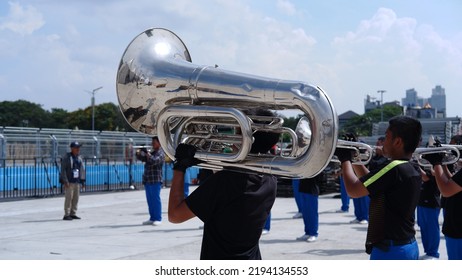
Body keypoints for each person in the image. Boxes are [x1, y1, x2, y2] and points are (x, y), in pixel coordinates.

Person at [168, 108, 280, 260]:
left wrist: (179, 167)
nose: (233, 135)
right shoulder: (270, 179)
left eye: (237, 131)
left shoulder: (227, 181)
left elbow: (175, 215)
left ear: (248, 138)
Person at [336, 116, 422, 260]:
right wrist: (355, 157)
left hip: (391, 251)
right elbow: (371, 183)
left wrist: (345, 159)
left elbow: (353, 190)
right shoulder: (411, 167)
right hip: (406, 246)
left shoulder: (393, 168)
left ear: (398, 142)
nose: (383, 141)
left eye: (387, 137)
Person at [422, 147, 462, 260]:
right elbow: (453, 181)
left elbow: (445, 190)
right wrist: (443, 165)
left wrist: (436, 163)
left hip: (458, 231)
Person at [139, 136, 165, 226]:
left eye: (154, 142)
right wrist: (142, 154)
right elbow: (144, 159)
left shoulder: (160, 153)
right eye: (152, 142)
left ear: (159, 143)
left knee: (155, 200)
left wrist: (148, 155)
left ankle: (158, 218)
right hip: (148, 180)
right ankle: (152, 217)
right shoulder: (152, 153)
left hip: (156, 180)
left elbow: (155, 161)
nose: (152, 144)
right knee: (150, 200)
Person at [417, 166, 441, 260]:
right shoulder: (422, 162)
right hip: (422, 201)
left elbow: (426, 177)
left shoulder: (434, 164)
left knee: (431, 228)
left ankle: (433, 253)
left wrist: (415, 165)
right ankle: (428, 251)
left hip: (431, 201)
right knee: (423, 227)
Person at [60, 141, 85, 220]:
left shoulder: (79, 157)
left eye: (78, 148)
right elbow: (63, 170)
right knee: (68, 198)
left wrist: (82, 181)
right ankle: (66, 214)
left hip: (76, 181)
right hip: (69, 181)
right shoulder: (67, 158)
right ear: (72, 148)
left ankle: (73, 213)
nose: (78, 149)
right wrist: (65, 181)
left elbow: (82, 170)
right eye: (76, 148)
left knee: (76, 198)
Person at [295, 175, 321, 243]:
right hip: (303, 187)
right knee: (305, 213)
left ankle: (313, 233)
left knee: (312, 213)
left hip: (312, 189)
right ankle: (307, 232)